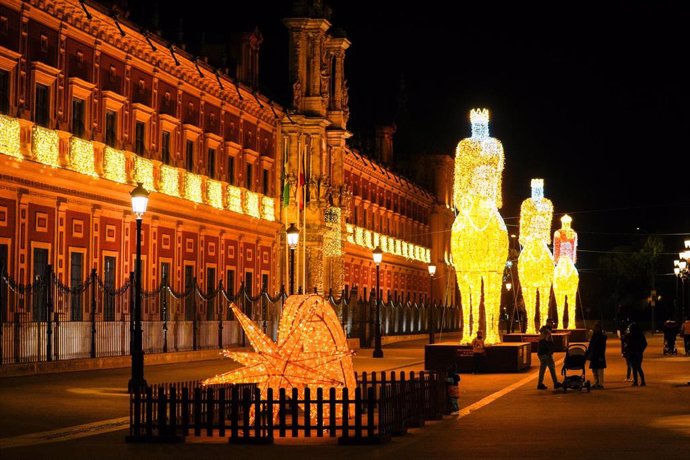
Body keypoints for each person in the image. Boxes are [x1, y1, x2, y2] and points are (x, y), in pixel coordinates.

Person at [625, 322, 647, 386]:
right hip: (637, 353)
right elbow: (645, 344)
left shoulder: (630, 335)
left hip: (633, 353)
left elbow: (627, 343)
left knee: (635, 367)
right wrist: (641, 350)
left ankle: (636, 381)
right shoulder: (640, 334)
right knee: (638, 367)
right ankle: (641, 381)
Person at [587, 322, 607, 389]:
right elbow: (590, 346)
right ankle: (596, 383)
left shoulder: (602, 337)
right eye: (595, 328)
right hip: (594, 355)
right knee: (594, 370)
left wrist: (601, 356)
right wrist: (588, 353)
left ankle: (600, 384)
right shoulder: (594, 336)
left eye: (597, 328)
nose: (596, 329)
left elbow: (603, 347)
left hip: (599, 355)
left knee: (599, 370)